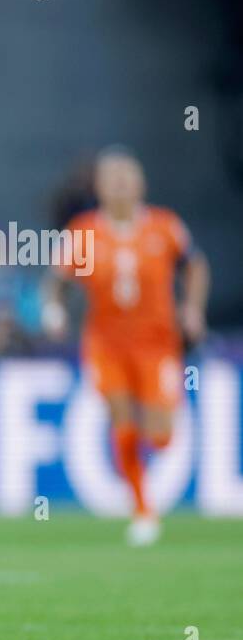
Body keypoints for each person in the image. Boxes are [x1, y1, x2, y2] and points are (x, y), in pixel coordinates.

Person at [43, 146, 210, 546]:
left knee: (161, 436)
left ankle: (145, 482)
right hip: (106, 342)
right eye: (111, 179)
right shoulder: (83, 230)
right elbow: (58, 279)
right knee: (122, 417)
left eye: (126, 178)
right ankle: (142, 509)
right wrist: (54, 310)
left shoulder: (165, 226)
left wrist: (192, 309)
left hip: (157, 344)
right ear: (100, 187)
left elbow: (196, 266)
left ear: (141, 184)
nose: (119, 186)